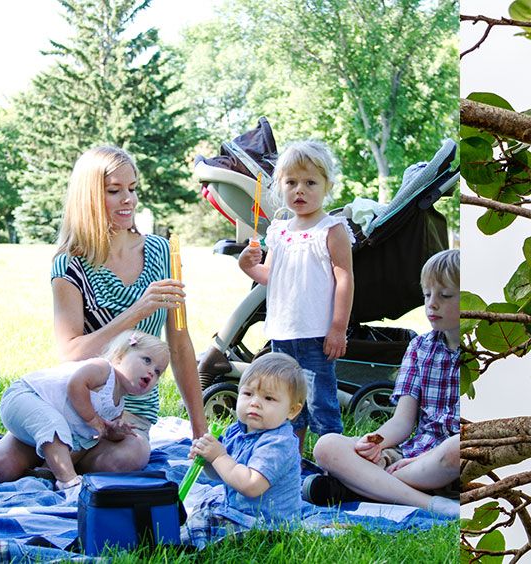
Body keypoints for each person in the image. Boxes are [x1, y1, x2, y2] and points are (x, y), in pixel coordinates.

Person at [0, 146, 207, 480]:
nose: (129, 200)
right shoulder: (69, 263)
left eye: (133, 188)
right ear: (90, 197)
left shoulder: (163, 253)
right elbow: (70, 352)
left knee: (126, 459)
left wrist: (201, 431)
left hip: (130, 411)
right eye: (114, 191)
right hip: (73, 400)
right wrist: (138, 310)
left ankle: (54, 462)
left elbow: (180, 346)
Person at [309, 250, 468, 517]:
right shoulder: (419, 347)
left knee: (457, 448)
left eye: (445, 295)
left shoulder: (482, 354)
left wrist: (416, 461)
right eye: (427, 295)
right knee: (327, 446)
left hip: (445, 459)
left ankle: (364, 486)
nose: (432, 304)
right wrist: (377, 442)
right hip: (408, 457)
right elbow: (402, 421)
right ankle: (429, 503)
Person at [237, 140, 354, 438]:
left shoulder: (331, 229)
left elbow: (344, 279)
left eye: (310, 182)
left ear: (327, 186)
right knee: (288, 404)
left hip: (316, 334)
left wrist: (338, 327)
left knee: (320, 403)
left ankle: (334, 465)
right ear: (280, 186)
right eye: (291, 182)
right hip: (282, 333)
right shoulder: (278, 231)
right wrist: (248, 266)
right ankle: (294, 461)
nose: (299, 189)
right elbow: (269, 276)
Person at [0, 331, 169, 488]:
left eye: (159, 371)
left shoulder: (118, 403)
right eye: (146, 360)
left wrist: (115, 431)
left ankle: (47, 472)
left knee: (81, 439)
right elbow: (76, 385)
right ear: (120, 356)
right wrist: (93, 419)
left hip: (48, 421)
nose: (152, 372)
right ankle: (69, 482)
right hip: (25, 396)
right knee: (54, 426)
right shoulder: (102, 369)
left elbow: (102, 433)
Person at [186, 352, 308, 528]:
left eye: (268, 398)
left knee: (197, 528)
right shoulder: (237, 430)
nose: (255, 403)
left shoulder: (279, 443)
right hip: (238, 513)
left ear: (292, 410)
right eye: (248, 393)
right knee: (201, 509)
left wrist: (220, 457)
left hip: (266, 525)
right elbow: (227, 475)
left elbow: (251, 485)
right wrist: (208, 461)